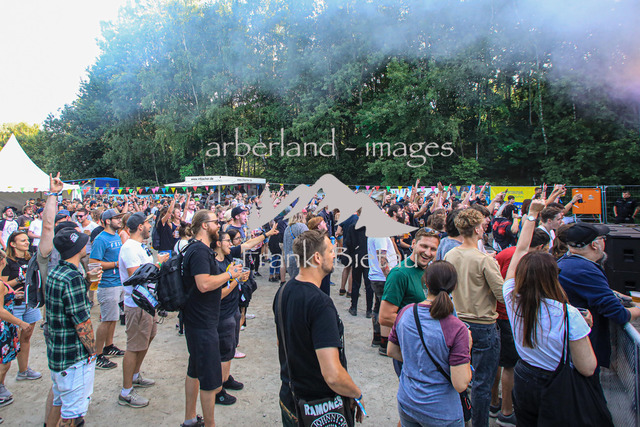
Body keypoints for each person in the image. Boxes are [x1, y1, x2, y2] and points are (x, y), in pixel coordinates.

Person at [503, 199, 598, 426]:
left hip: (524, 375)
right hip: (555, 381)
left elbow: (521, 250)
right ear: (554, 277)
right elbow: (587, 368)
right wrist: (585, 326)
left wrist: (532, 215)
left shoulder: (511, 297)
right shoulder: (568, 315)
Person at [273, 230, 364, 426]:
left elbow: (282, 342)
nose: (334, 255)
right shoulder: (320, 304)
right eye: (330, 251)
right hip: (318, 407)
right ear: (317, 257)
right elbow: (332, 375)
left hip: (290, 398)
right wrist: (356, 393)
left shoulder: (282, 292)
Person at [387, 261, 472, 427]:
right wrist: (467, 348)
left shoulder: (406, 312)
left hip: (408, 401)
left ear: (425, 282)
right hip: (442, 411)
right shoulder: (457, 328)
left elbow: (392, 350)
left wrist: (417, 361)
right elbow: (460, 383)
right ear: (454, 286)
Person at [181, 210, 243, 427]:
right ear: (204, 226)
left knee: (194, 371)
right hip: (202, 323)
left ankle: (190, 419)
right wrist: (230, 275)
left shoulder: (196, 248)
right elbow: (204, 284)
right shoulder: (199, 251)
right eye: (216, 222)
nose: (219, 225)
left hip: (197, 320)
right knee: (209, 380)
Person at [444, 208, 505, 427]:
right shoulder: (484, 260)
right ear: (478, 229)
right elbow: (502, 295)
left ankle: (462, 418)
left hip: (457, 321)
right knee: (482, 383)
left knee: (458, 378)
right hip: (483, 324)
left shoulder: (450, 255)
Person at [558, 223, 640, 369]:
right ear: (594, 245)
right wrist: (638, 309)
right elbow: (619, 314)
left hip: (570, 350)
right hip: (580, 355)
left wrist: (624, 298)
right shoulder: (585, 270)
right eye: (603, 238)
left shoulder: (567, 263)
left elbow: (598, 292)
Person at [117, 213, 170, 408]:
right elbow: (136, 276)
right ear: (140, 226)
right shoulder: (130, 248)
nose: (150, 226)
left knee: (146, 339)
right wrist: (159, 264)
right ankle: (126, 392)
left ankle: (135, 375)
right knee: (134, 346)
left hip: (147, 303)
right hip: (136, 304)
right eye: (147, 223)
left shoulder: (138, 246)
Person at [46, 228, 97, 427]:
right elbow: (81, 321)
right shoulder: (72, 278)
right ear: (77, 248)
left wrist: (86, 281)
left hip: (57, 351)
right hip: (73, 356)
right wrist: (92, 351)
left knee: (59, 402)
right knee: (72, 415)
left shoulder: (56, 272)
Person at [379, 229, 440, 374]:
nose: (428, 252)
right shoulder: (399, 274)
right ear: (413, 244)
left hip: (426, 348)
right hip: (409, 349)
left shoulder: (430, 270)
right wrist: (424, 327)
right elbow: (385, 316)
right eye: (424, 246)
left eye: (433, 249)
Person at [0, 231, 43, 382]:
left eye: (27, 240)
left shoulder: (31, 258)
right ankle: (2, 380)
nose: (27, 243)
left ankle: (23, 370)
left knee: (26, 336)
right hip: (13, 305)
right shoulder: (7, 262)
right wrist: (19, 280)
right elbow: (2, 284)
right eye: (23, 240)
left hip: (29, 302)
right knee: (11, 341)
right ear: (12, 244)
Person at [89, 208, 126, 370]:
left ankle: (109, 346)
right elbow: (93, 262)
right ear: (107, 221)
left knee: (113, 318)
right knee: (106, 320)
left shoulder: (116, 236)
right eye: (116, 218)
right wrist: (115, 264)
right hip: (107, 283)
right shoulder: (100, 239)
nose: (119, 220)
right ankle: (97, 355)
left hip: (117, 281)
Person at [0, 249, 33, 417]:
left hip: (6, 326)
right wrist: (20, 323)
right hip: (3, 327)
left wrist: (12, 294)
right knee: (4, 363)